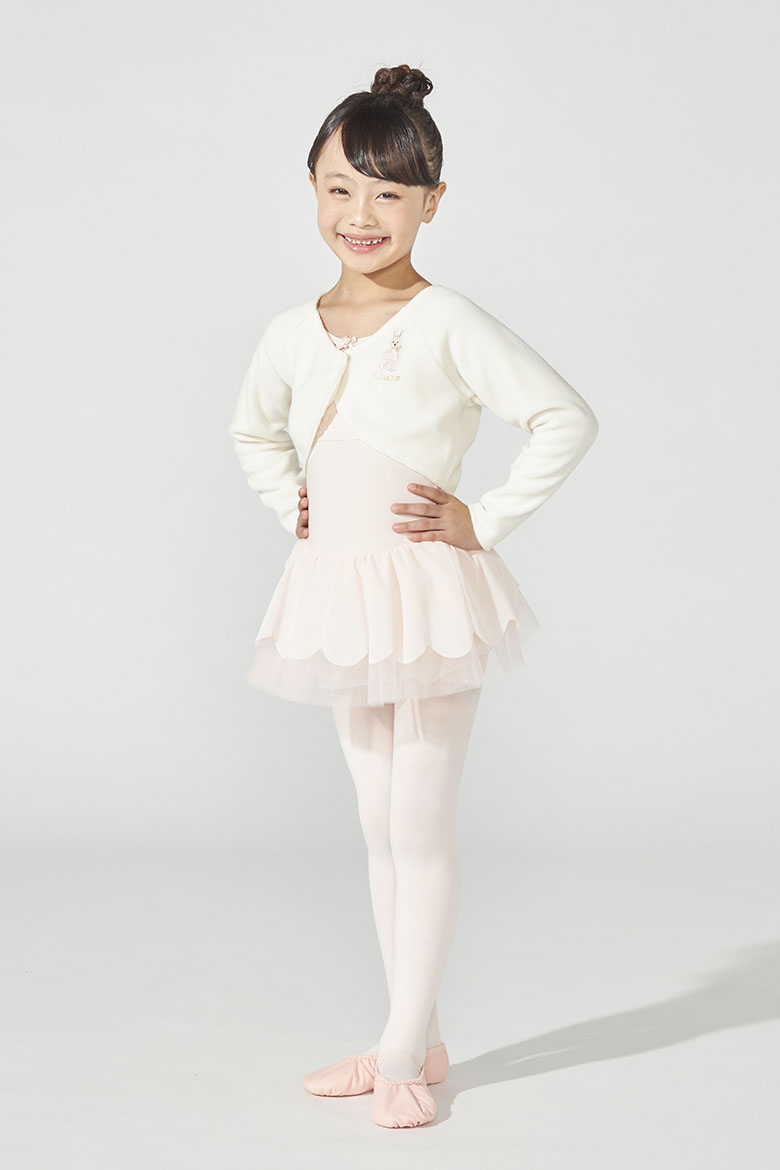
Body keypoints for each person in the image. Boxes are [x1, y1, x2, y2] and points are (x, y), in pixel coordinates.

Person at [227, 63, 599, 1129]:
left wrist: (486, 517)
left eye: (389, 192)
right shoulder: (292, 331)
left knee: (419, 824)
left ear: (432, 203)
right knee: (376, 824)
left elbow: (564, 417)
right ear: (310, 187)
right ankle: (414, 1033)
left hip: (427, 595)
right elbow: (253, 430)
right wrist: (293, 503)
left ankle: (400, 1053)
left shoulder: (446, 321)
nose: (362, 213)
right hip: (341, 597)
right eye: (340, 187)